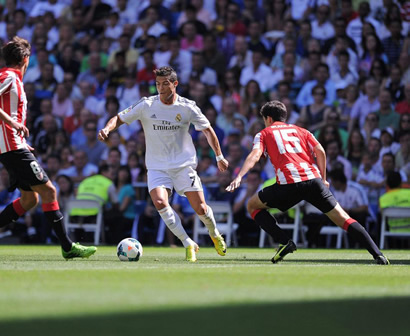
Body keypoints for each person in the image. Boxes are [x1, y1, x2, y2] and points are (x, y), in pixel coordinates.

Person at [0, 36, 96, 260]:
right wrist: (12, 124)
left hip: (13, 145)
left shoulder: (15, 79)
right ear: (25, 59)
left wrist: (20, 139)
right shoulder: (8, 76)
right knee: (50, 191)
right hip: (10, 146)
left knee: (30, 200)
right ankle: (68, 246)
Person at [226, 101, 389, 265]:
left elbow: (255, 155)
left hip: (289, 183)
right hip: (313, 181)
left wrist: (240, 175)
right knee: (343, 218)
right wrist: (324, 178)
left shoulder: (264, 133)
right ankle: (378, 254)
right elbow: (320, 151)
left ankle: (284, 241)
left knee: (252, 206)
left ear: (268, 118)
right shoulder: (302, 131)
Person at [98, 66, 229, 262]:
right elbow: (119, 118)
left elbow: (208, 130)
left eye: (165, 84)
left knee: (200, 208)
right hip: (157, 166)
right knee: (160, 203)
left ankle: (215, 233)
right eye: (158, 84)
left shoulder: (187, 107)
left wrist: (219, 156)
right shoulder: (146, 105)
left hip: (183, 165)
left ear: (175, 84)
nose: (160, 88)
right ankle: (188, 243)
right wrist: (107, 129)